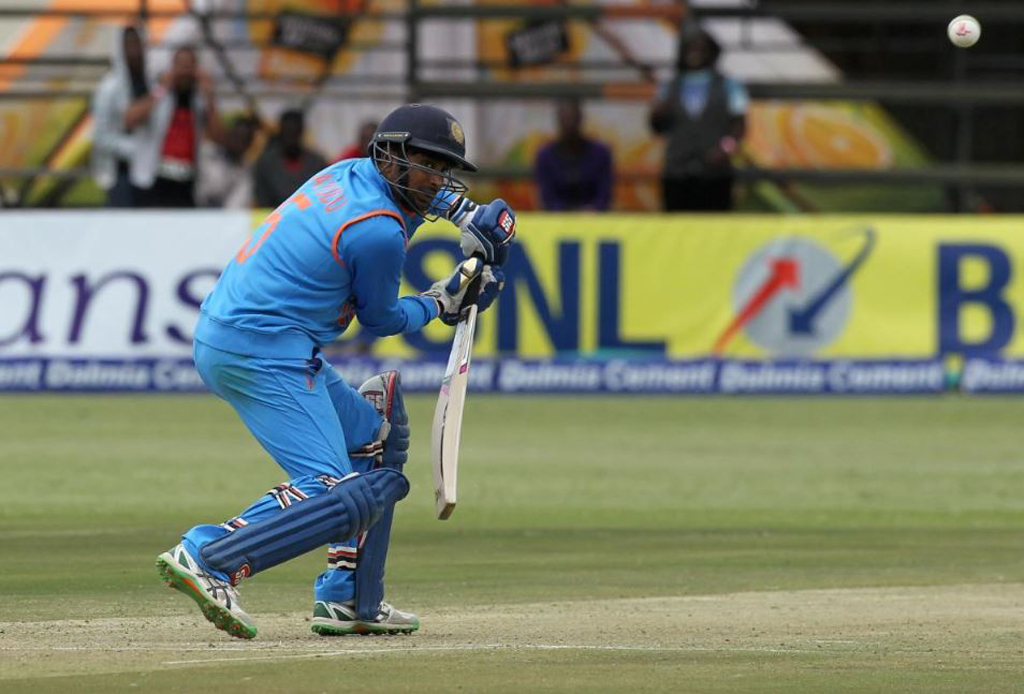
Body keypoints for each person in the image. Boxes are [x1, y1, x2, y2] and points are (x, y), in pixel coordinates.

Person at [155, 103, 517, 640]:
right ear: (392, 158)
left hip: (260, 338)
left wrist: (476, 219)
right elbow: (382, 318)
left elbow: (428, 195)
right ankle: (209, 555)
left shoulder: (348, 172)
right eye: (428, 164)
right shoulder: (377, 232)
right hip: (259, 349)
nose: (439, 179)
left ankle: (350, 599)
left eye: (446, 168)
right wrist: (445, 300)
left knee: (376, 438)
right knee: (330, 491)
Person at [649, 24, 748, 211]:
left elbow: (739, 127)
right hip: (677, 172)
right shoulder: (668, 87)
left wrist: (725, 149)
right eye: (690, 47)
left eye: (700, 47)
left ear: (712, 51)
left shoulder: (729, 86)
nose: (694, 52)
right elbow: (656, 127)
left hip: (715, 175)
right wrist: (657, 114)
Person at [125, 45, 227, 207]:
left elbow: (220, 137)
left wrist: (209, 98)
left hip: (188, 183)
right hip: (154, 180)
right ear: (172, 67)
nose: (184, 71)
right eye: (180, 65)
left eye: (189, 65)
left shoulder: (200, 99)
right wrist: (162, 88)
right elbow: (129, 120)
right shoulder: (158, 92)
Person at [91, 25, 149, 207]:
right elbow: (101, 136)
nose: (134, 51)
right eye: (128, 45)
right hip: (120, 174)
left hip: (151, 172)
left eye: (137, 45)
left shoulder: (150, 83)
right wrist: (134, 149)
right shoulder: (109, 88)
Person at [533, 99, 614, 211]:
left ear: (580, 119)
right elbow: (547, 199)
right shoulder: (545, 156)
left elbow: (604, 197)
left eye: (572, 118)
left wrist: (591, 212)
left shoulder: (600, 153)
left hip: (594, 220)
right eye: (565, 119)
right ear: (558, 120)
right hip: (556, 221)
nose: (569, 124)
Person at [253, 109, 329, 208]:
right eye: (287, 132)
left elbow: (323, 197)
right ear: (280, 133)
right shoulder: (265, 164)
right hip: (274, 217)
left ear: (301, 133)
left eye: (295, 132)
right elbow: (261, 200)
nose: (291, 138)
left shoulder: (317, 163)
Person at [196, 115, 256, 208]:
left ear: (248, 144)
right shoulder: (207, 153)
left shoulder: (247, 174)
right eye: (234, 136)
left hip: (223, 218)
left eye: (242, 139)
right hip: (192, 210)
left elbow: (234, 207)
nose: (236, 142)